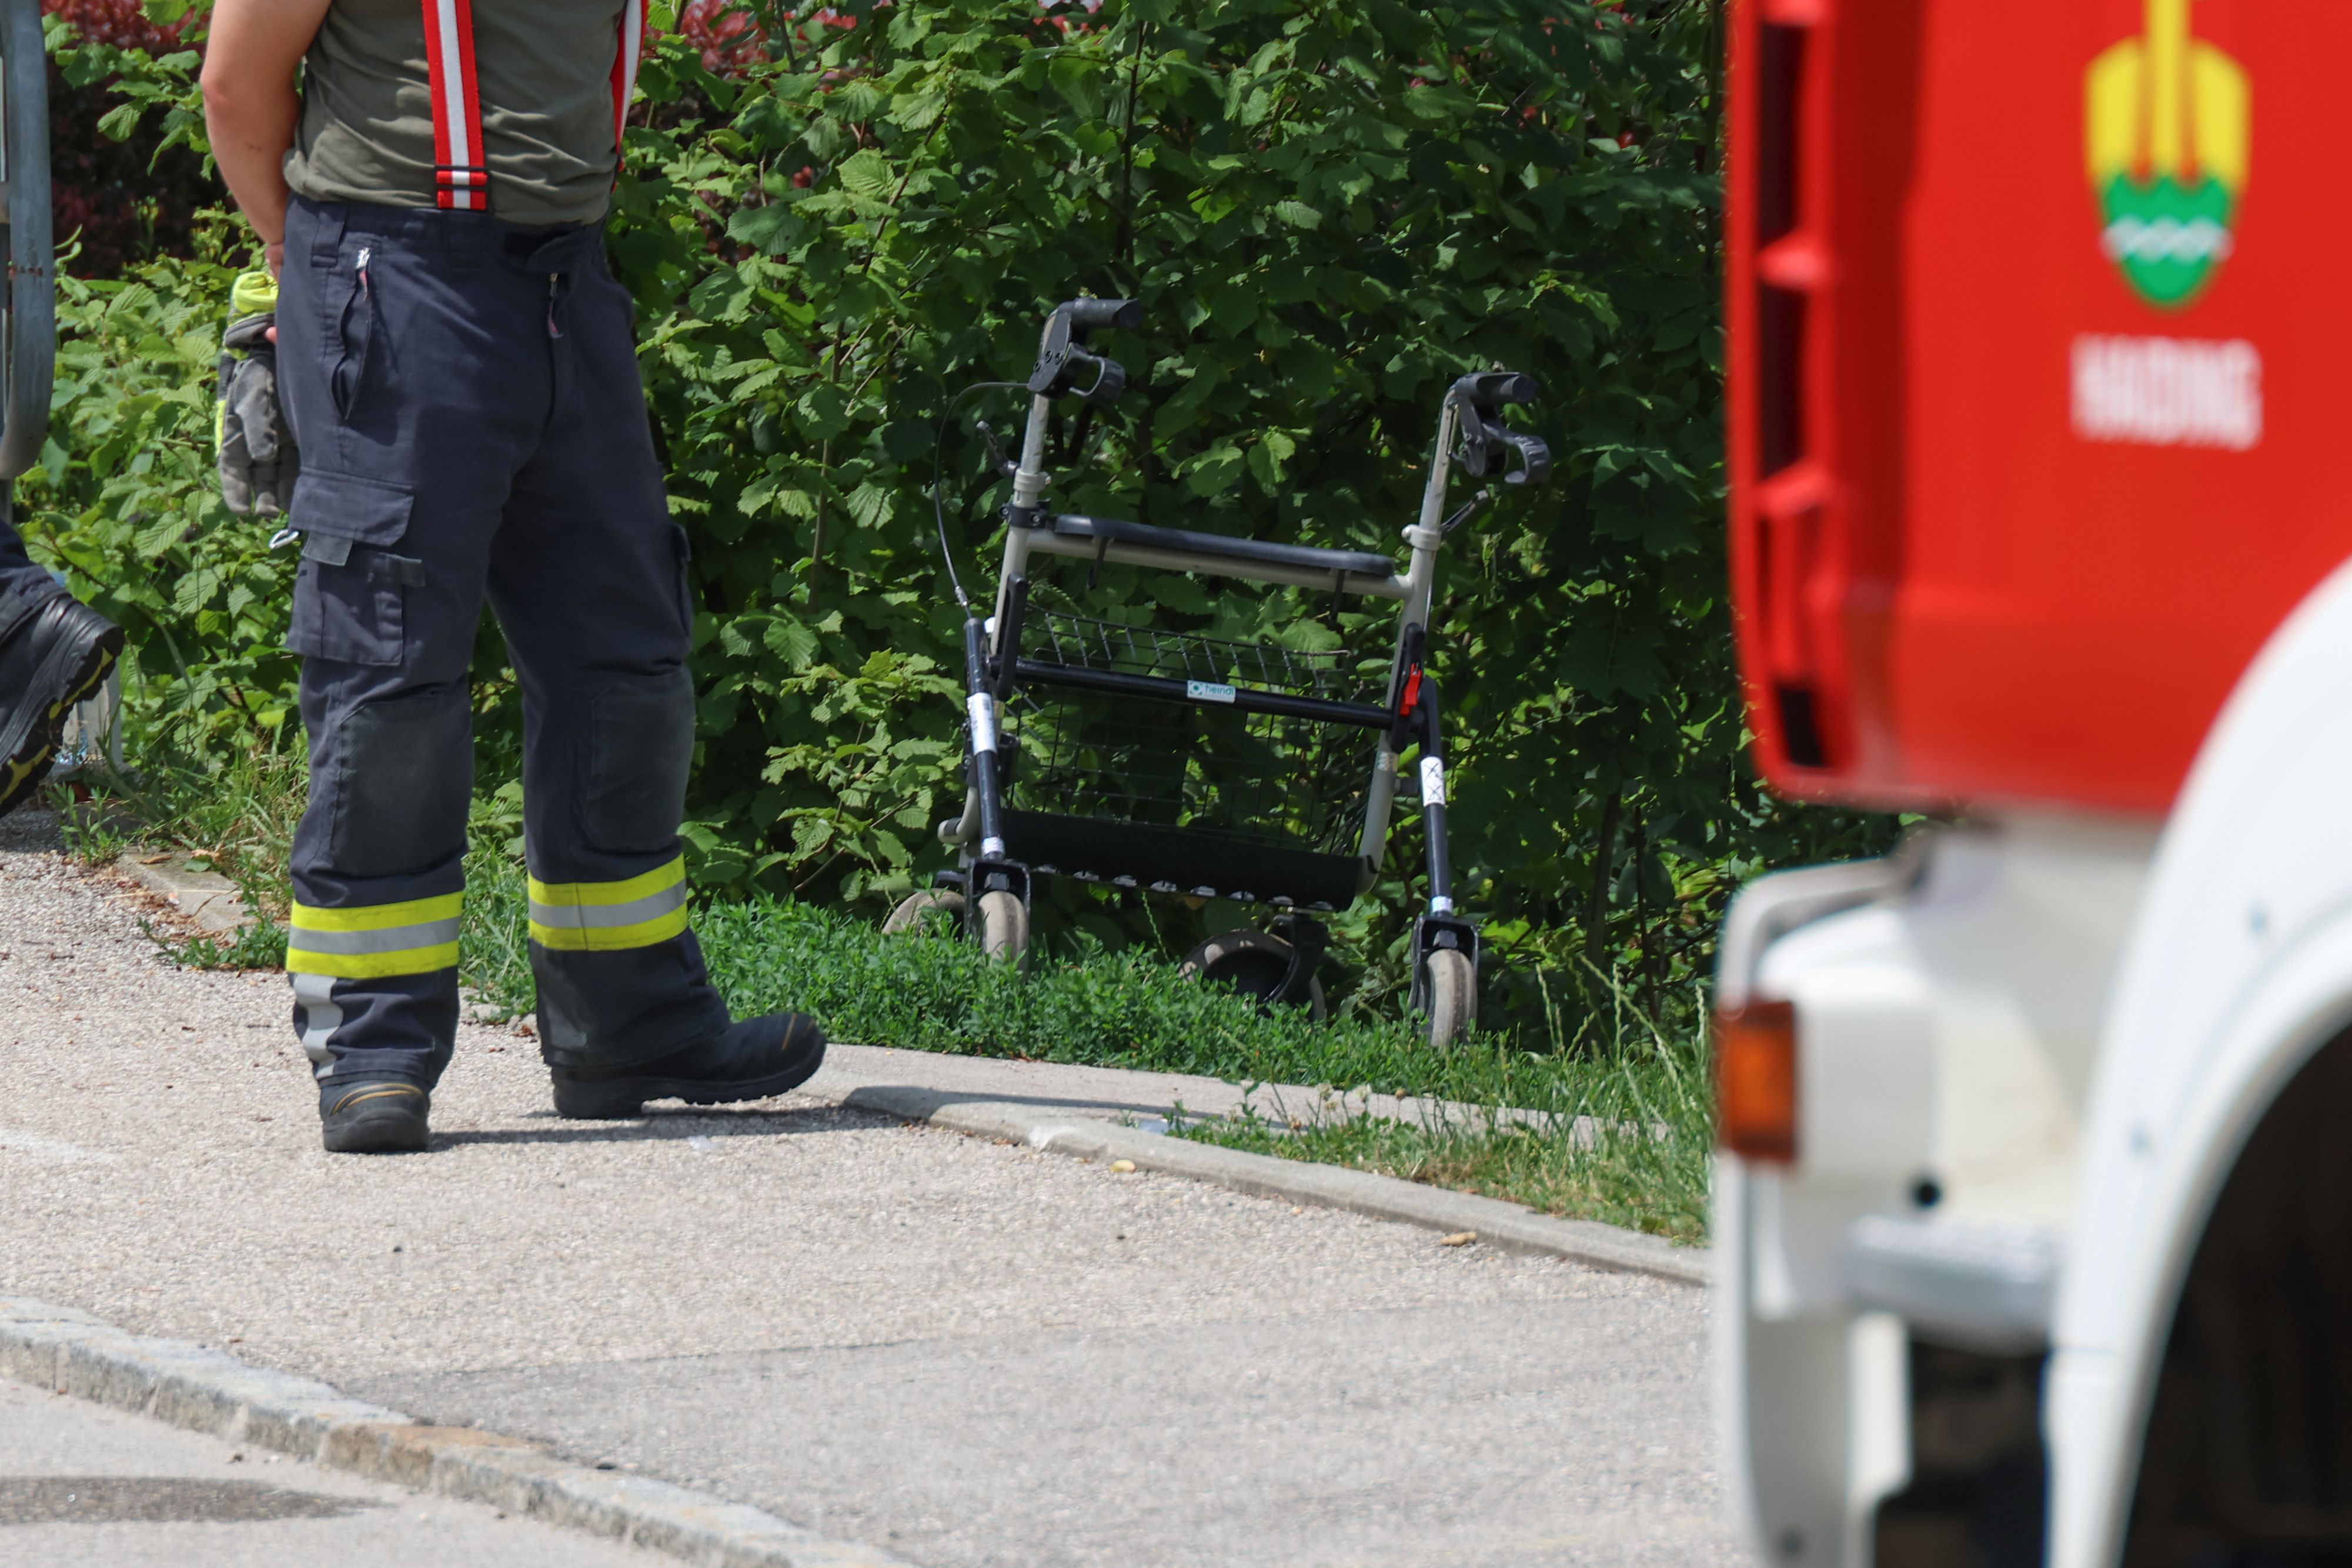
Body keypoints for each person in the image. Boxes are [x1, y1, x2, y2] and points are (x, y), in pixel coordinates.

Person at [202, 0, 823, 1154]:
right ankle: (373, 1048)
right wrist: (310, 267)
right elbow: (235, 88)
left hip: (565, 281)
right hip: (395, 272)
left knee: (626, 664)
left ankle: (626, 1023)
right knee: (393, 675)